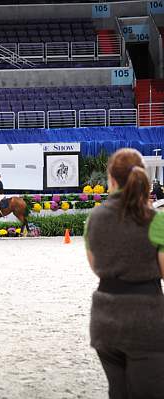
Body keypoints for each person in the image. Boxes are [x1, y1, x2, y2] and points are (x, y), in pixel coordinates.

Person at [85, 148, 164, 398]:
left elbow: (96, 266)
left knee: (117, 392)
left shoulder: (94, 218)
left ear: (111, 178)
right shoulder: (155, 219)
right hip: (145, 319)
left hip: (105, 319)